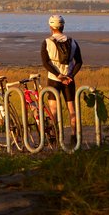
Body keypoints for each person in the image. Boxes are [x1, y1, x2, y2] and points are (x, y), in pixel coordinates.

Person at [41, 14, 83, 144]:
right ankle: (74, 137)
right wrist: (70, 76)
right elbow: (79, 62)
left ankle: (55, 135)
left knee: (53, 110)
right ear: (63, 26)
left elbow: (46, 63)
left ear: (50, 27)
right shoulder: (73, 41)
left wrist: (58, 75)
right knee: (72, 109)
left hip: (54, 79)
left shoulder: (47, 42)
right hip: (69, 80)